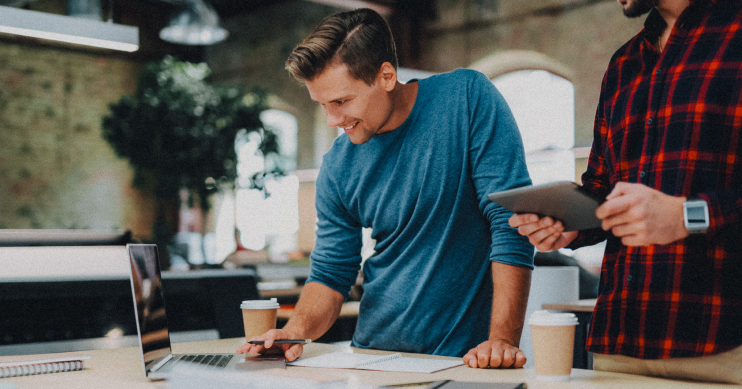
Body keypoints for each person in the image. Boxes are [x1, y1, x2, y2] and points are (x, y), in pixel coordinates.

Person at [236, 8, 535, 368]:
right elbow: (331, 273)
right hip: (373, 356)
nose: (333, 120)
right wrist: (294, 330)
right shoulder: (337, 166)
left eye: (341, 102)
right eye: (322, 105)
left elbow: (512, 222)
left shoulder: (467, 99)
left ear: (387, 76)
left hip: (467, 359)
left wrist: (501, 341)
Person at [510, 0, 742, 383]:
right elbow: (602, 188)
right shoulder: (623, 65)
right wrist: (570, 225)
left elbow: (677, 212)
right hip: (620, 343)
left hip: (722, 344)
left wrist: (686, 216)